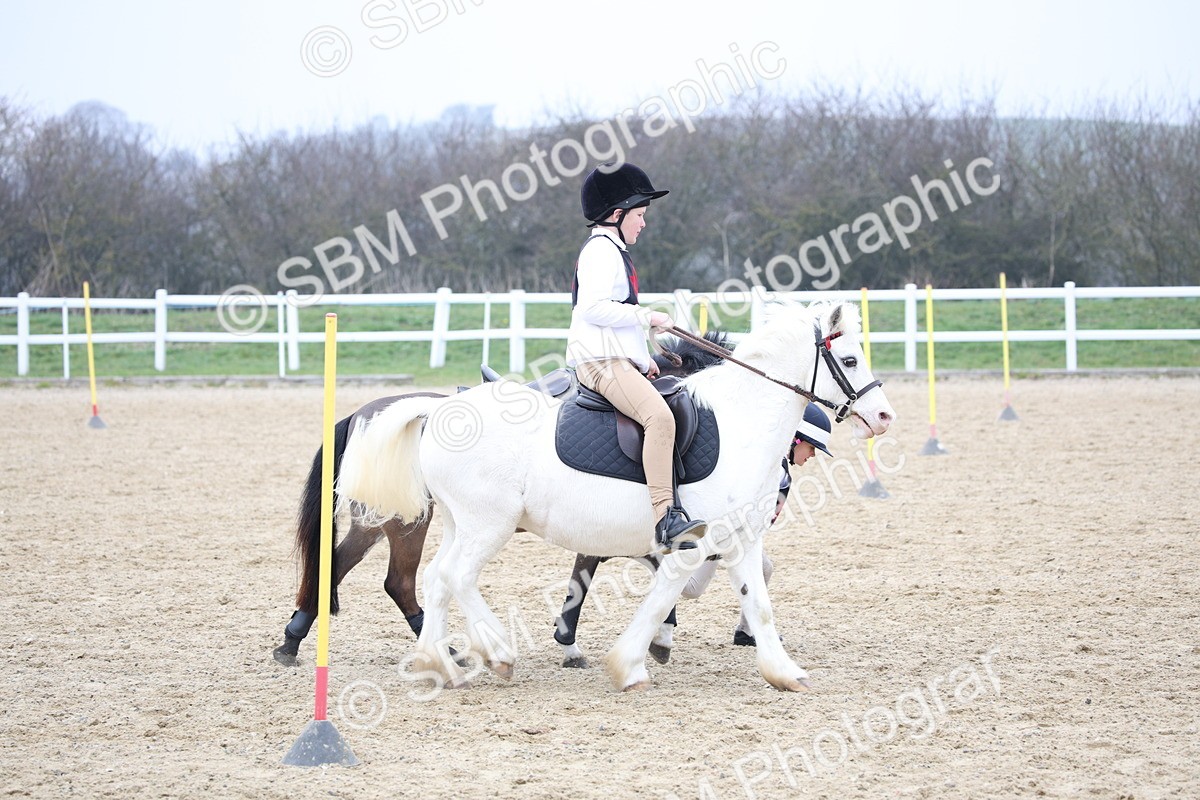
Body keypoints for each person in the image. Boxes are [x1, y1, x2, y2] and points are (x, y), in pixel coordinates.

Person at [566, 162, 707, 551]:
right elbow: (592, 308)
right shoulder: (601, 251)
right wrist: (648, 316)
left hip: (614, 360)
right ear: (617, 214)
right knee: (659, 418)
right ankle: (666, 518)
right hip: (599, 363)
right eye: (640, 215)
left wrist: (646, 361)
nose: (643, 223)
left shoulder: (612, 250)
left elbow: (617, 320)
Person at [680, 402, 833, 645]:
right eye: (812, 447)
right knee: (691, 589)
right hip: (711, 531)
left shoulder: (781, 474)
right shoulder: (754, 459)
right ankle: (655, 564)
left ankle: (747, 631)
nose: (813, 455)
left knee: (764, 567)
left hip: (733, 538)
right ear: (794, 440)